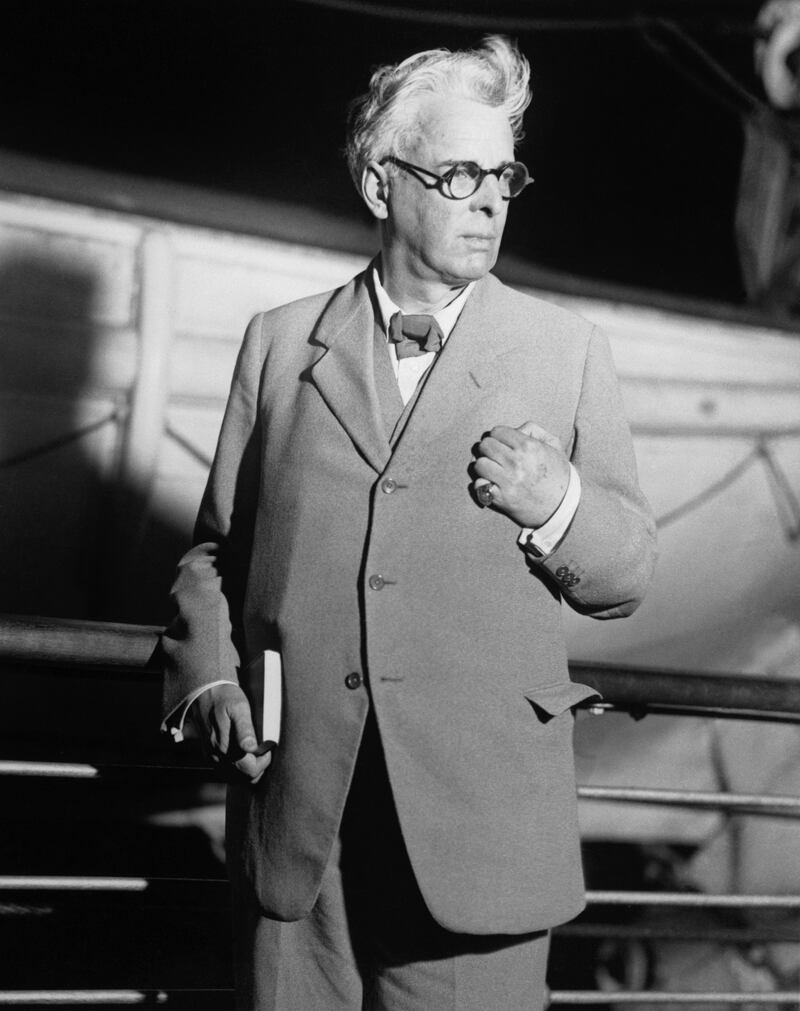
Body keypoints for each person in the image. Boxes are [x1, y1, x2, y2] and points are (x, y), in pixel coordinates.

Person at [161, 34, 657, 1011]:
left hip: (478, 831)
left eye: (502, 174)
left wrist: (555, 502)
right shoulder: (277, 345)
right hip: (296, 826)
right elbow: (217, 550)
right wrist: (206, 676)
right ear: (382, 186)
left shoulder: (566, 350)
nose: (487, 199)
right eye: (459, 171)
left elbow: (628, 573)